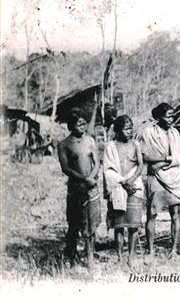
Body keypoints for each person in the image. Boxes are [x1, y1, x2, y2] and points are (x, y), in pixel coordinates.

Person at [139, 102, 180, 257]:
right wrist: (166, 160)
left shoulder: (175, 133)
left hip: (175, 176)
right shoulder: (149, 133)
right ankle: (151, 249)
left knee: (175, 213)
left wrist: (162, 161)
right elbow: (145, 155)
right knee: (152, 213)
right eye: (168, 116)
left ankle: (174, 249)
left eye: (172, 116)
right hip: (157, 177)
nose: (171, 119)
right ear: (159, 117)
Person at [58, 109, 101, 267]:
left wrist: (92, 178)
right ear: (70, 125)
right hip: (76, 188)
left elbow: (97, 162)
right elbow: (66, 168)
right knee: (74, 224)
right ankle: (72, 255)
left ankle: (90, 256)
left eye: (84, 123)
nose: (82, 126)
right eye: (78, 123)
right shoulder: (64, 144)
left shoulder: (90, 141)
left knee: (91, 224)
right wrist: (84, 179)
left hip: (91, 187)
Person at [103, 115, 144, 265]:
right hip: (118, 185)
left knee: (133, 225)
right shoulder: (111, 146)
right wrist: (122, 182)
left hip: (134, 186)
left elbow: (140, 165)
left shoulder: (135, 144)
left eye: (131, 128)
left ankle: (131, 256)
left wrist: (131, 181)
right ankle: (120, 256)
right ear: (119, 130)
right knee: (119, 225)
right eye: (126, 128)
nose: (130, 131)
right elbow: (108, 169)